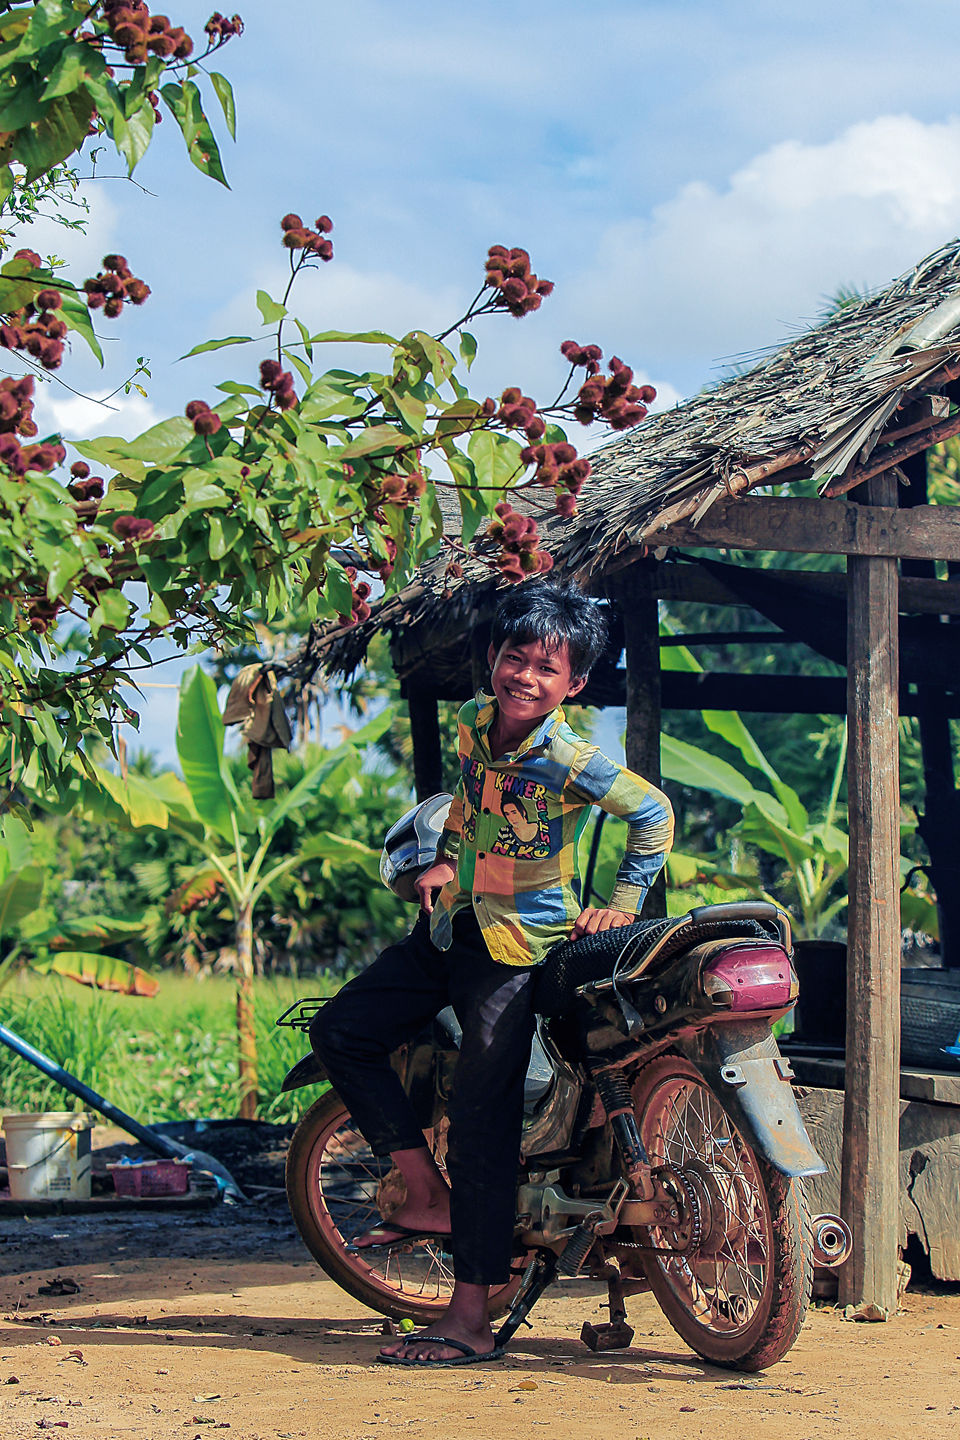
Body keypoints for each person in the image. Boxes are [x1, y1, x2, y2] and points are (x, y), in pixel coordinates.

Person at [310, 580, 674, 1367]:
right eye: (516, 658)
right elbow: (473, 811)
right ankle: (424, 1189)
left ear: (574, 683)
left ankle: (470, 1321)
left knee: (483, 1128)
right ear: (492, 659)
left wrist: (619, 902)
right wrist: (442, 864)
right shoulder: (477, 722)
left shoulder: (570, 756)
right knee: (340, 1029)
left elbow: (653, 815)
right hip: (449, 929)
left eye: (548, 667)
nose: (525, 677)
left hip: (514, 951)